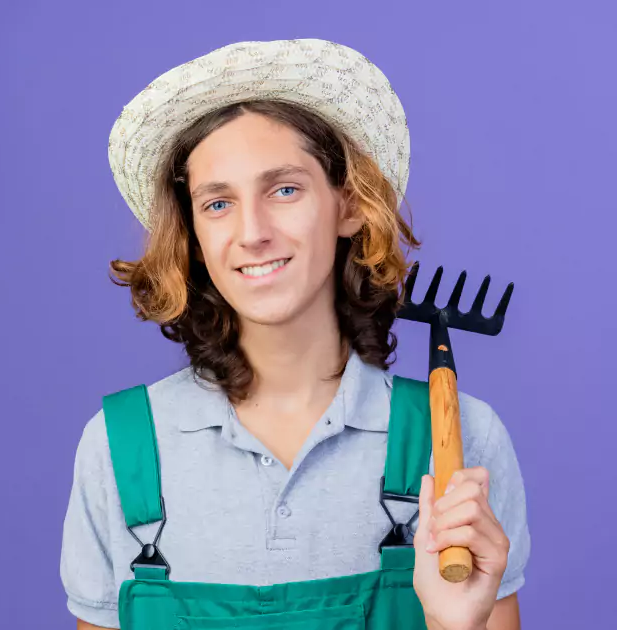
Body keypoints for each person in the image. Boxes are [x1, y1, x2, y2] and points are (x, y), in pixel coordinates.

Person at [60, 39, 530, 630]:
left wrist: (455, 622)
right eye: (217, 203)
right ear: (194, 238)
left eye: (284, 189)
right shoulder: (121, 446)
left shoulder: (460, 443)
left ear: (349, 206)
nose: (252, 232)